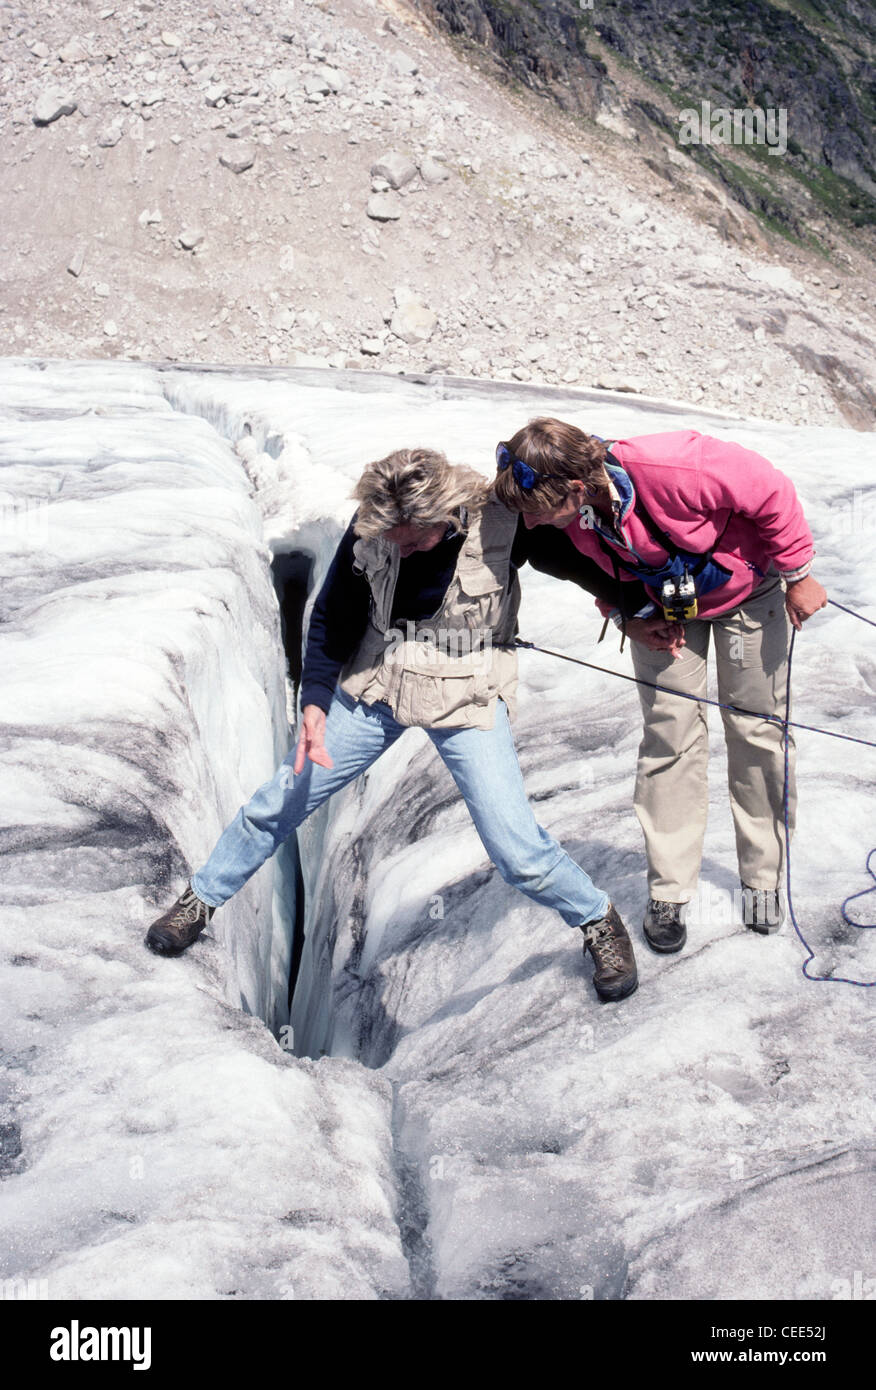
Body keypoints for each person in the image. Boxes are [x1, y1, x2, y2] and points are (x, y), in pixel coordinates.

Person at [145, 447, 652, 1002]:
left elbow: (582, 565)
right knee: (280, 801)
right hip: (378, 683)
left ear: (446, 512)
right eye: (393, 539)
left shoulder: (504, 522)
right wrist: (314, 700)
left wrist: (636, 609)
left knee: (515, 848)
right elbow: (332, 617)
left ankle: (597, 918)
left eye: (412, 540)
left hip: (467, 692)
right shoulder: (373, 529)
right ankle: (200, 901)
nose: (399, 548)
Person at [493, 418, 827, 954]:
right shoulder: (575, 515)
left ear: (577, 487)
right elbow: (602, 567)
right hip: (668, 607)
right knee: (669, 734)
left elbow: (769, 489)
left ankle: (762, 878)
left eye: (536, 512)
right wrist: (626, 615)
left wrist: (798, 572)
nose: (530, 527)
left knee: (756, 729)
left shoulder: (674, 464)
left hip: (749, 593)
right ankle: (668, 889)